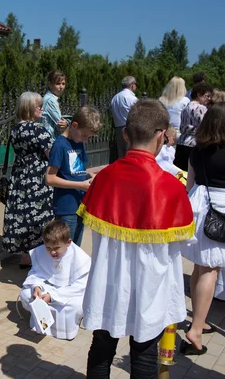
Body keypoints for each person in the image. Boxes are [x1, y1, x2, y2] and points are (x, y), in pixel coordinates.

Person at [78, 99, 195, 378]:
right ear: (161, 136)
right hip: (150, 287)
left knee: (101, 351)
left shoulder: (104, 179)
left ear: (126, 134)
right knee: (143, 356)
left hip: (110, 283)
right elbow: (184, 245)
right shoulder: (172, 187)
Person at [180, 102, 225, 355]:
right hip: (220, 209)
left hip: (198, 205)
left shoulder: (197, 150)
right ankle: (195, 330)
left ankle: (199, 319)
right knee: (211, 269)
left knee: (200, 265)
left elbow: (190, 183)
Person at [2, 92, 54, 269]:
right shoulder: (38, 130)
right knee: (40, 216)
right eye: (38, 105)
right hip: (38, 178)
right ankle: (39, 258)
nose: (41, 108)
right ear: (29, 108)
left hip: (19, 176)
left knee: (22, 215)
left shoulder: (15, 129)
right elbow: (52, 155)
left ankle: (25, 257)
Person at [19, 220, 91, 340]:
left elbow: (79, 287)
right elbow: (35, 273)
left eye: (56, 248)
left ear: (68, 243)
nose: (52, 252)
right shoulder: (41, 252)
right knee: (26, 294)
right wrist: (37, 286)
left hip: (67, 294)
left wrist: (52, 296)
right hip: (48, 289)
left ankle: (64, 332)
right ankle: (41, 325)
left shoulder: (80, 258)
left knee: (74, 305)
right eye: (48, 248)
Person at [45, 107, 102, 246]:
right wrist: (80, 185)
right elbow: (50, 178)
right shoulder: (60, 145)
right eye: (84, 136)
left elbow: (77, 170)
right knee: (66, 249)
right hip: (66, 207)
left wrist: (90, 175)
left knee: (75, 249)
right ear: (74, 126)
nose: (85, 140)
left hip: (81, 204)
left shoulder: (79, 142)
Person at [174, 82, 213, 171]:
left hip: (181, 142)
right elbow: (205, 126)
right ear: (199, 94)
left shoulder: (186, 107)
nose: (209, 99)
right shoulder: (201, 108)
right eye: (207, 96)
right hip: (194, 144)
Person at [110, 76, 138, 159]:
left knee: (121, 155)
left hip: (118, 128)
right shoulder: (132, 98)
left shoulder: (115, 98)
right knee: (130, 154)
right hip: (130, 128)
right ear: (132, 85)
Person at [41, 70, 68, 141]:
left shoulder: (50, 98)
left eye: (63, 84)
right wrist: (68, 123)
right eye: (58, 84)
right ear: (50, 84)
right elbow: (60, 123)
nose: (61, 87)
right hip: (50, 139)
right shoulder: (50, 100)